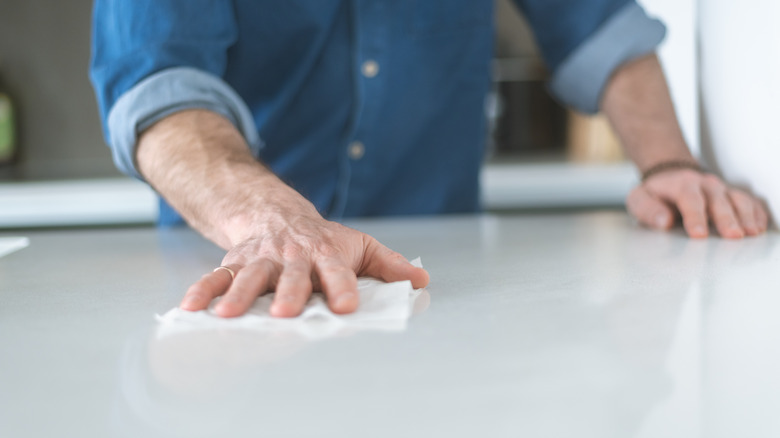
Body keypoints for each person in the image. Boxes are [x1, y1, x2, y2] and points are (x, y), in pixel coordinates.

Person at [90, 0, 768, 319]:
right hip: (240, 269)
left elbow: (600, 27)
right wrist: (269, 219)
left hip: (439, 290)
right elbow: (159, 91)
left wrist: (668, 165)